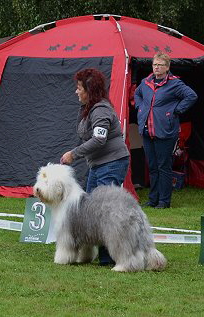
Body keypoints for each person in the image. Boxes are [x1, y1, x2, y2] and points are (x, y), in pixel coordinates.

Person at [60, 68, 130, 266]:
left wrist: (74, 154)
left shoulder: (100, 110)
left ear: (89, 90)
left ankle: (109, 258)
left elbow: (99, 139)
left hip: (112, 163)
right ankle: (95, 253)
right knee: (91, 211)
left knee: (106, 211)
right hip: (98, 164)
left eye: (79, 88)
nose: (76, 91)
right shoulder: (89, 109)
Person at [133, 52, 198, 208]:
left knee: (163, 166)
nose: (156, 67)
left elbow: (191, 96)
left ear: (167, 67)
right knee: (152, 166)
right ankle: (153, 199)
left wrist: (175, 110)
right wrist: (140, 107)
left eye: (160, 65)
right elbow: (137, 94)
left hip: (165, 131)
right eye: (155, 64)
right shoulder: (146, 82)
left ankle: (164, 201)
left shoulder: (175, 84)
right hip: (147, 130)